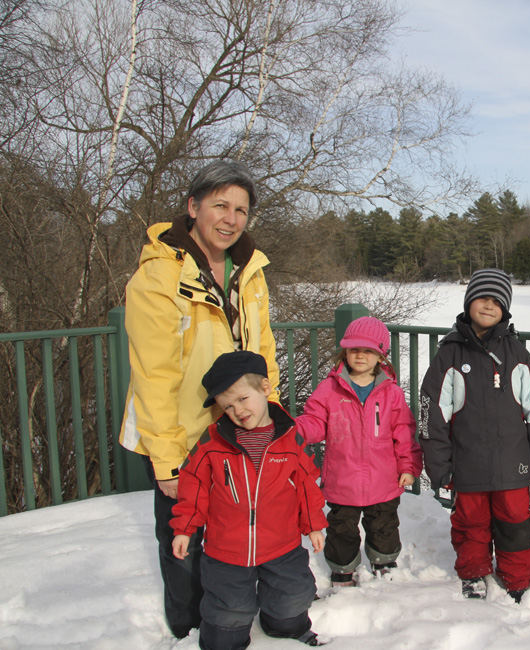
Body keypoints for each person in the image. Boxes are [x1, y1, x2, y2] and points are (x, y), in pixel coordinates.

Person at [119, 160, 281, 638]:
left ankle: (231, 617)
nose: (231, 219)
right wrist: (167, 459)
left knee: (234, 525)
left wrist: (265, 411)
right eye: (220, 206)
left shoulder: (250, 270)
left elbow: (263, 347)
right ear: (193, 207)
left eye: (241, 210)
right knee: (182, 536)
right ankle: (188, 628)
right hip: (179, 433)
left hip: (234, 424)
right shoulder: (158, 276)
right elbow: (153, 373)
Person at [418, 268, 530, 603]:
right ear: (469, 303)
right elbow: (431, 415)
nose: (488, 305)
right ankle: (473, 572)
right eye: (482, 298)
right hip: (468, 465)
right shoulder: (450, 354)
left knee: (516, 522)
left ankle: (517, 575)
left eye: (497, 301)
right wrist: (439, 465)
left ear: (505, 310)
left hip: (513, 466)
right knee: (471, 522)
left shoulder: (517, 355)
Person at [171, 351, 326, 649]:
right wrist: (184, 528)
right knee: (228, 609)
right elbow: (194, 485)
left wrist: (314, 525)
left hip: (282, 543)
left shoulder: (290, 438)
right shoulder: (212, 442)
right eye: (227, 406)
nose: (237, 410)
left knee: (292, 594)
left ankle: (285, 626)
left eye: (243, 399)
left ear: (265, 389)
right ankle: (225, 640)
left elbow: (306, 484)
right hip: (227, 548)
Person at [296, 316, 421, 587]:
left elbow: (404, 433)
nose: (360, 355)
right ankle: (342, 571)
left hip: (383, 479)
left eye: (368, 350)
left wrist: (408, 467)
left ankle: (384, 563)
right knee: (342, 530)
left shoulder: (391, 393)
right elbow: (315, 421)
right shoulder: (330, 388)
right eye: (354, 350)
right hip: (343, 479)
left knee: (384, 526)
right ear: (345, 352)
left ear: (381, 355)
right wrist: (298, 430)